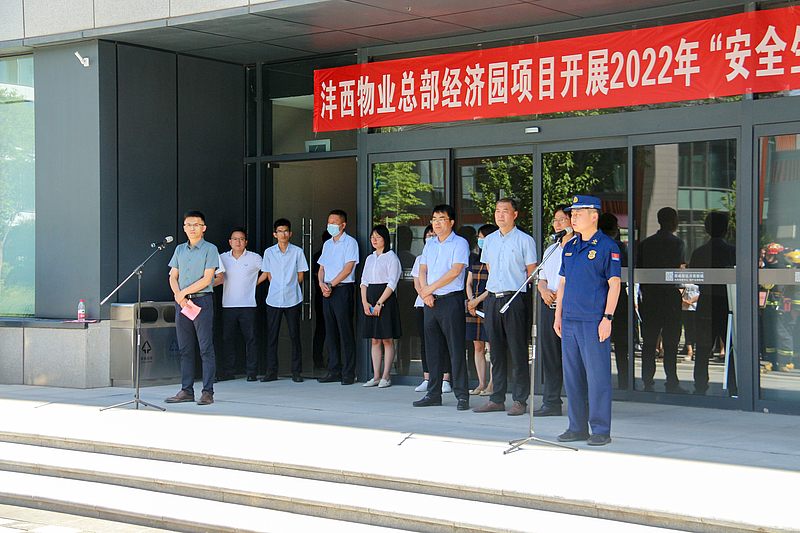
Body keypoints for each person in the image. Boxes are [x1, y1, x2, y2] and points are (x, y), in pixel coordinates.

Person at [554, 196, 621, 446]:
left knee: (597, 377)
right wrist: (558, 315)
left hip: (593, 319)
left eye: (578, 213)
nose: (573, 218)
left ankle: (601, 429)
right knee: (572, 377)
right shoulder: (569, 246)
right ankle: (577, 427)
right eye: (572, 214)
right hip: (569, 319)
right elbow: (562, 283)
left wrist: (608, 317)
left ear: (594, 216)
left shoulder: (607, 246)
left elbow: (614, 284)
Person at [474, 198, 538, 416]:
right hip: (492, 299)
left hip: (515, 299)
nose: (500, 215)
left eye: (505, 211)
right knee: (496, 351)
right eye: (497, 211)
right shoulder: (490, 240)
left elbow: (531, 272)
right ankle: (497, 398)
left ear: (515, 214)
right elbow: (489, 267)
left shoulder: (525, 240)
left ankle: (520, 400)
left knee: (518, 351)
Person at [413, 204, 471, 410]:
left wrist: (430, 289)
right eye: (434, 219)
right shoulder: (430, 245)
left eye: (441, 219)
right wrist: (425, 292)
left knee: (455, 349)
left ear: (451, 222)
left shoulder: (460, 243)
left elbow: (455, 271)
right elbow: (422, 269)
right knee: (432, 350)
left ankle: (462, 395)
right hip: (430, 302)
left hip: (450, 300)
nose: (436, 223)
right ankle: (433, 393)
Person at [165, 210, 220, 406]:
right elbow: (173, 276)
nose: (192, 228)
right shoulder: (179, 249)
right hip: (182, 303)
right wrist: (180, 298)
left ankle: (207, 392)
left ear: (203, 228)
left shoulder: (210, 249)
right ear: (184, 228)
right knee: (185, 349)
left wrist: (183, 293)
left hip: (202, 302)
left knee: (205, 348)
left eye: (196, 225)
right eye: (189, 225)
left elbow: (207, 279)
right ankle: (186, 390)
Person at [636, 207, 687, 393]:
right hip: (670, 296)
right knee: (671, 342)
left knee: (649, 342)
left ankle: (647, 381)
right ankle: (671, 380)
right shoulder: (677, 243)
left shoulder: (646, 244)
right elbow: (677, 268)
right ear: (674, 222)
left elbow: (640, 268)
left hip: (650, 296)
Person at [689, 212, 736, 395]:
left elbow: (694, 277)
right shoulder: (732, 251)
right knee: (731, 346)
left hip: (706, 301)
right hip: (727, 302)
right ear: (726, 229)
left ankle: (700, 386)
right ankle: (734, 386)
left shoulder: (699, 252)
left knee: (702, 348)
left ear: (707, 229)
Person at [258, 218, 309, 383]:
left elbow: (301, 275)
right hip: (273, 299)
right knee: (272, 336)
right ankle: (271, 371)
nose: (283, 234)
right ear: (275, 234)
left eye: (286, 231)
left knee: (295, 335)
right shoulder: (269, 252)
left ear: (290, 233)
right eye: (280, 231)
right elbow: (268, 274)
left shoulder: (297, 252)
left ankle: (296, 372)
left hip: (293, 298)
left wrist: (289, 286)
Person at [535, 205, 572, 416]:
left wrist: (559, 293)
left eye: (562, 220)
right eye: (555, 220)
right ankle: (551, 402)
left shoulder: (579, 247)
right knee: (550, 356)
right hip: (549, 307)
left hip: (570, 308)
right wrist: (543, 290)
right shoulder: (550, 250)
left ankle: (580, 403)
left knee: (572, 358)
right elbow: (542, 278)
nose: (557, 224)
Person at [214, 228, 264, 382]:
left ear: (246, 242)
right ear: (230, 242)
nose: (238, 242)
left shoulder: (254, 258)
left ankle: (252, 372)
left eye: (241, 239)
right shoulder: (222, 258)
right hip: (228, 305)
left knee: (251, 339)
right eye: (235, 239)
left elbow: (268, 271)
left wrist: (255, 283)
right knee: (228, 339)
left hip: (248, 305)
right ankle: (229, 371)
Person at [317, 209, 360, 385]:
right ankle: (334, 370)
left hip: (342, 290)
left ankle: (348, 372)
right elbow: (321, 268)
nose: (331, 225)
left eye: (334, 222)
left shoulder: (350, 243)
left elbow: (348, 268)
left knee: (345, 331)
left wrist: (331, 284)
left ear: (343, 225)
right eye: (329, 222)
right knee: (330, 331)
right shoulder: (327, 244)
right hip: (327, 291)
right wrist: (321, 284)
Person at [361, 224, 403, 388]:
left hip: (386, 299)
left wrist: (380, 303)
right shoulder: (370, 258)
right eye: (372, 237)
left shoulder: (392, 258)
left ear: (385, 239)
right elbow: (364, 282)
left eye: (378, 237)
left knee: (387, 339)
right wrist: (365, 302)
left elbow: (392, 283)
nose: (374, 240)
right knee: (374, 339)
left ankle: (386, 376)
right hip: (370, 298)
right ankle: (376, 376)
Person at [412, 225, 453, 392]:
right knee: (426, 342)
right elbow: (417, 283)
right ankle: (427, 377)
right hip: (423, 303)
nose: (431, 238)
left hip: (442, 301)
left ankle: (445, 378)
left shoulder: (445, 255)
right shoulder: (420, 259)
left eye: (434, 235)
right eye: (428, 235)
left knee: (443, 341)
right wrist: (426, 296)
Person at [598, 212, 630, 389]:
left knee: (600, 343)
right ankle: (624, 381)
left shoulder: (594, 245)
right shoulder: (618, 246)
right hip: (618, 296)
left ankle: (601, 381)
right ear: (614, 229)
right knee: (621, 342)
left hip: (599, 297)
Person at [466, 223, 497, 396]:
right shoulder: (475, 260)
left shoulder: (494, 259)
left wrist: (477, 301)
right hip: (473, 306)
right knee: (477, 345)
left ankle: (492, 384)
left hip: (488, 304)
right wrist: (471, 300)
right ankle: (481, 383)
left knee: (492, 346)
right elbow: (468, 283)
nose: (480, 240)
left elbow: (493, 285)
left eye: (483, 237)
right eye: (479, 237)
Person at [311, 230, 332, 373]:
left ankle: (320, 360)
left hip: (322, 295)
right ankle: (320, 360)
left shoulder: (317, 255)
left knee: (322, 328)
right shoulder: (319, 256)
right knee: (325, 328)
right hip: (322, 295)